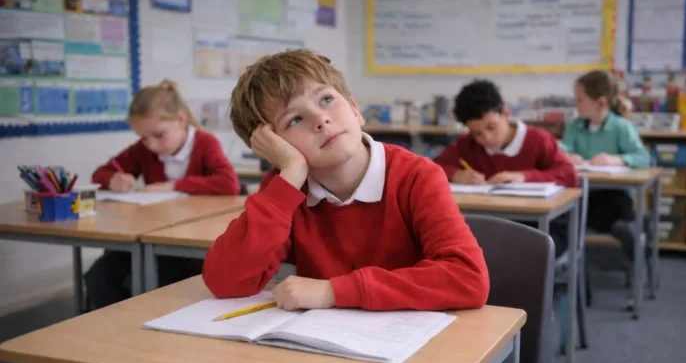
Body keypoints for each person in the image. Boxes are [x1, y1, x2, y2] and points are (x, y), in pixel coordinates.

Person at [202, 49, 490, 313]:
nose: (320, 120)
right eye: (294, 120)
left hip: (415, 347)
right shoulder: (285, 190)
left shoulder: (416, 176)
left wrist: (333, 291)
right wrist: (288, 174)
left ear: (355, 110)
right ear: (274, 147)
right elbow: (226, 282)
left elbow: (467, 278)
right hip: (328, 352)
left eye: (326, 99)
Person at [85, 79, 240, 309]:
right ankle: (121, 326)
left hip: (190, 240)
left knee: (172, 280)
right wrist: (113, 179)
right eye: (144, 138)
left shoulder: (205, 143)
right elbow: (100, 174)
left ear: (180, 120)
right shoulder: (144, 149)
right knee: (98, 277)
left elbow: (229, 183)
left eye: (158, 135)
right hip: (149, 235)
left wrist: (174, 186)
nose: (152, 145)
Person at [433, 79, 578, 257]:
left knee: (519, 256)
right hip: (494, 224)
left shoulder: (538, 140)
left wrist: (525, 177)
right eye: (477, 133)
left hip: (543, 228)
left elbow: (569, 175)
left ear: (505, 113)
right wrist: (457, 174)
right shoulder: (468, 144)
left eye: (491, 127)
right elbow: (434, 167)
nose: (486, 137)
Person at [559, 70, 651, 300]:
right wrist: (568, 156)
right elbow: (562, 148)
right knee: (572, 208)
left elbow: (643, 158)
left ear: (600, 102)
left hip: (614, 195)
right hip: (585, 195)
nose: (576, 105)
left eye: (580, 100)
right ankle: (631, 230)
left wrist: (617, 159)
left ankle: (631, 232)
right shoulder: (575, 126)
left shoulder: (621, 127)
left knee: (618, 205)